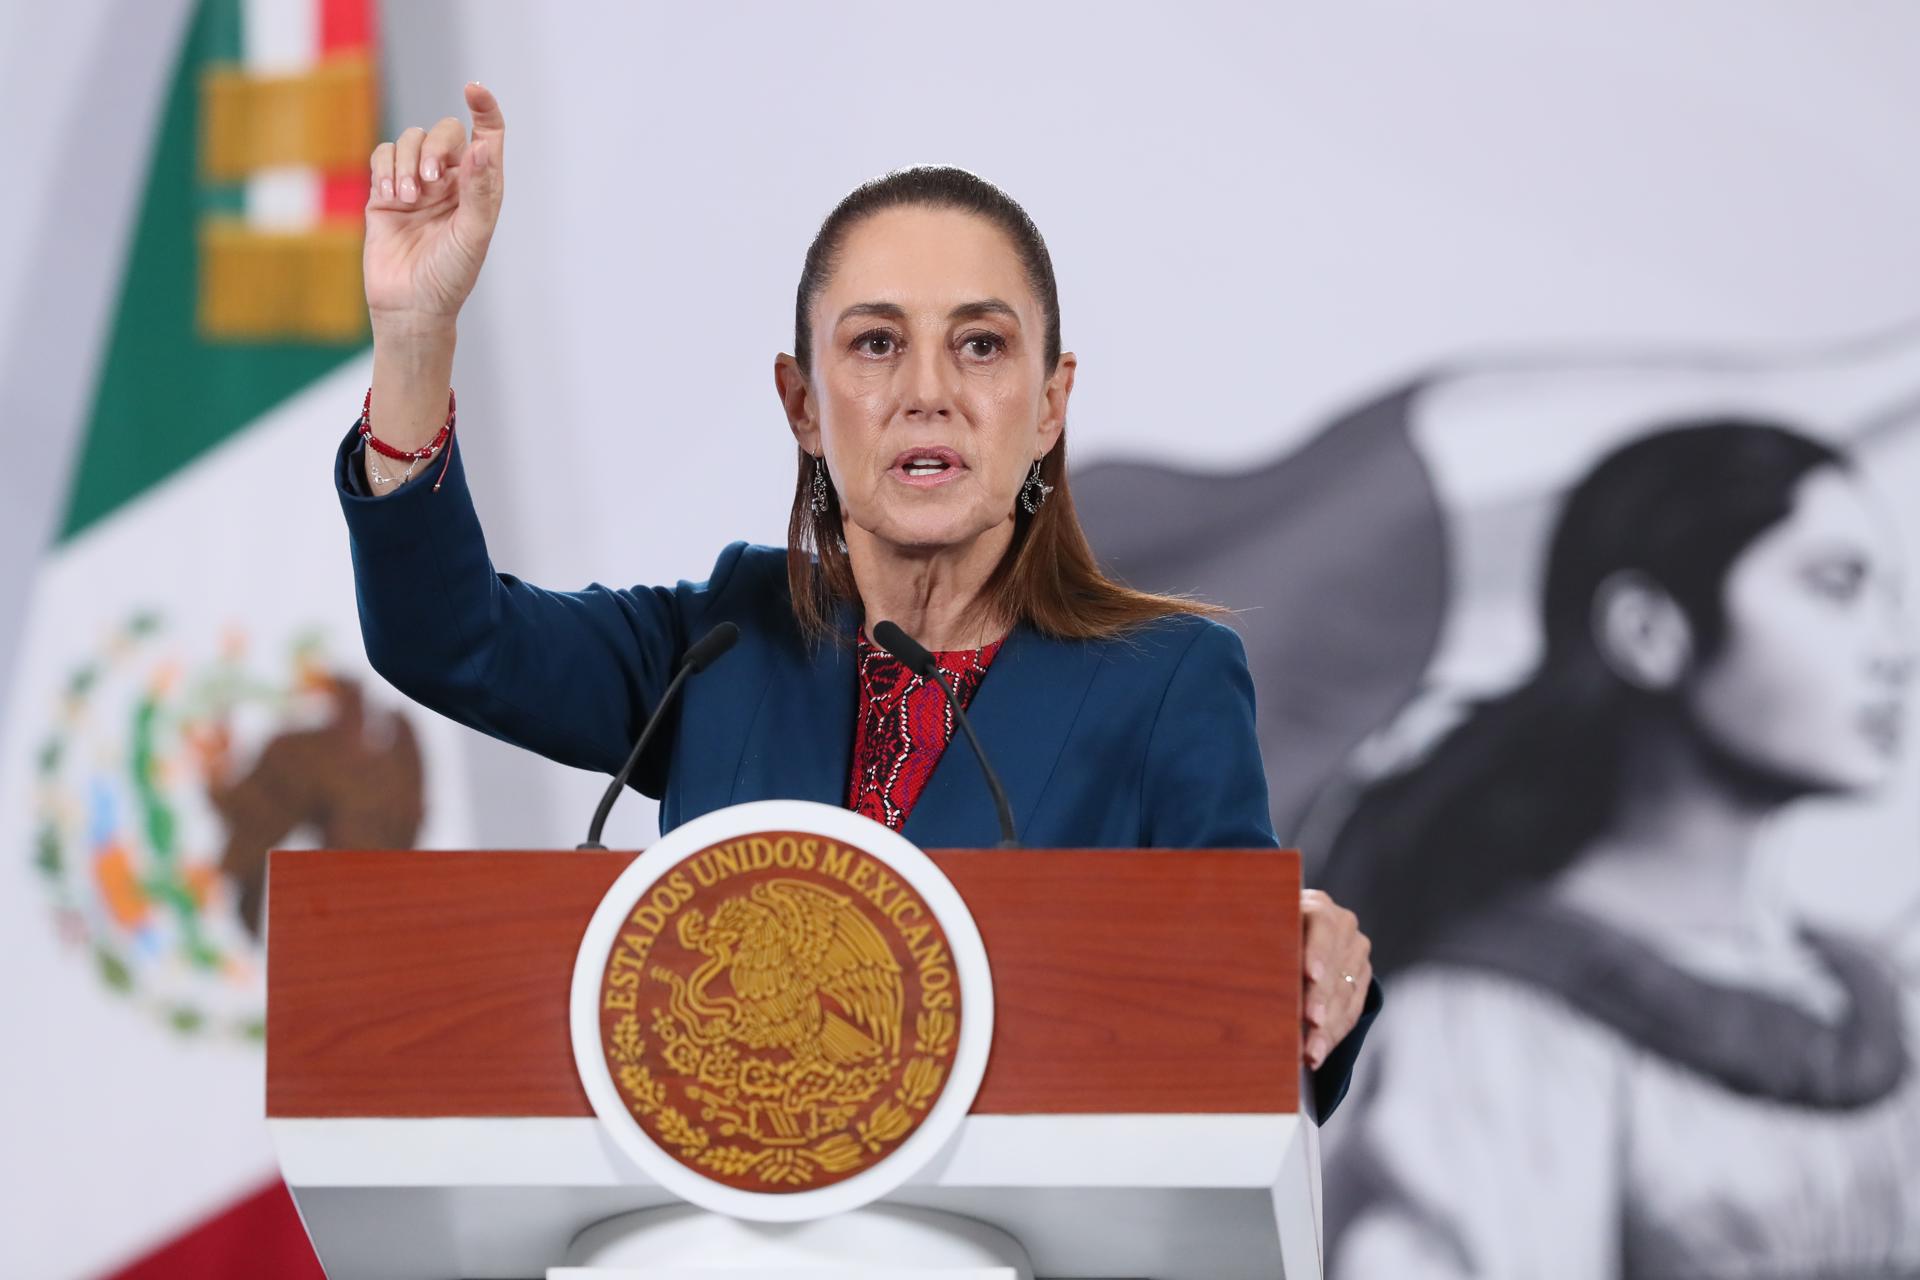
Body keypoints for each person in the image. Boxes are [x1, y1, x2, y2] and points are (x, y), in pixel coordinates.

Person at [334, 84, 1381, 1114]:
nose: (929, 389)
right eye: (876, 343)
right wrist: (414, 338)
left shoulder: (1167, 681)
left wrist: (1306, 957)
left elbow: (1250, 989)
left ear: (1052, 403)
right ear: (802, 404)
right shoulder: (719, 642)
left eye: (981, 344)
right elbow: (448, 636)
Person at [1319, 420, 1920, 1276]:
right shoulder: (1493, 1029)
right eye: (1835, 585)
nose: (1895, 650)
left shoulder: (1879, 998)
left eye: (1892, 597)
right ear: (1649, 631)